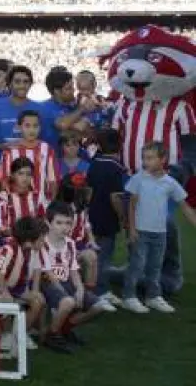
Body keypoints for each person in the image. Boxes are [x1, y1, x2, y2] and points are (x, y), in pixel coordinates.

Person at [122, 141, 196, 313]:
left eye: (150, 158)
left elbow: (185, 206)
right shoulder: (138, 179)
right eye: (144, 158)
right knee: (137, 266)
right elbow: (131, 205)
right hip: (141, 231)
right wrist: (132, 229)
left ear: (163, 159)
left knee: (155, 266)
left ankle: (153, 296)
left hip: (160, 233)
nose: (145, 162)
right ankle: (128, 297)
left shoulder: (170, 183)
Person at [38, 202, 106, 353]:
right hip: (47, 283)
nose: (64, 227)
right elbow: (48, 273)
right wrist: (65, 293)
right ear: (48, 223)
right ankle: (52, 335)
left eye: (68, 223)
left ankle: (64, 328)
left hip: (66, 282)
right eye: (59, 223)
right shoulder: (43, 243)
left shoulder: (70, 243)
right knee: (68, 301)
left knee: (99, 306)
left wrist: (80, 290)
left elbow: (74, 271)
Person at [86, 129, 128, 308]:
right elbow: (115, 197)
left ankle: (96, 288)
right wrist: (123, 217)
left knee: (95, 254)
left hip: (92, 215)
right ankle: (100, 292)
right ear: (119, 145)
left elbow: (88, 192)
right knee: (104, 256)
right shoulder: (117, 168)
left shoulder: (94, 164)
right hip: (107, 217)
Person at [0, 216, 47, 352]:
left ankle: (20, 334)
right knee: (7, 300)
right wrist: (4, 290)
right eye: (41, 239)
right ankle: (6, 335)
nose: (43, 242)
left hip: (17, 288)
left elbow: (26, 274)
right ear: (29, 240)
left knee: (38, 299)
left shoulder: (28, 250)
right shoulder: (10, 248)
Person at [55, 173, 106, 308]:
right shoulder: (61, 209)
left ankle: (90, 294)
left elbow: (86, 225)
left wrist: (92, 240)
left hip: (79, 244)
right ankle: (88, 296)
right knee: (90, 257)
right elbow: (58, 235)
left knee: (93, 256)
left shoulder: (81, 207)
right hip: (64, 247)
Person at [0, 110, 58, 198]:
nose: (32, 130)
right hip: (15, 202)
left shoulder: (47, 149)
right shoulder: (10, 151)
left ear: (40, 127)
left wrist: (53, 201)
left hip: (42, 202)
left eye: (35, 126)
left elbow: (53, 179)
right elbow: (4, 179)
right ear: (19, 127)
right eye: (27, 126)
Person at [0, 65, 40, 148]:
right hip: (1, 156)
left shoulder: (39, 109)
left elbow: (43, 141)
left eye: (26, 82)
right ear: (9, 84)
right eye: (17, 82)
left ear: (30, 84)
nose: (22, 86)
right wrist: (2, 146)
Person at [38, 68, 95, 148]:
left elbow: (86, 131)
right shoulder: (45, 108)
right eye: (69, 88)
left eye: (73, 86)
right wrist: (83, 108)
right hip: (53, 154)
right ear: (57, 91)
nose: (73, 90)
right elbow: (63, 124)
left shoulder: (73, 107)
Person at [4, 157, 49, 224]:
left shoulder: (38, 197)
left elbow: (45, 221)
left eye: (28, 174)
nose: (25, 178)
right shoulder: (4, 197)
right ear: (12, 175)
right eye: (20, 173)